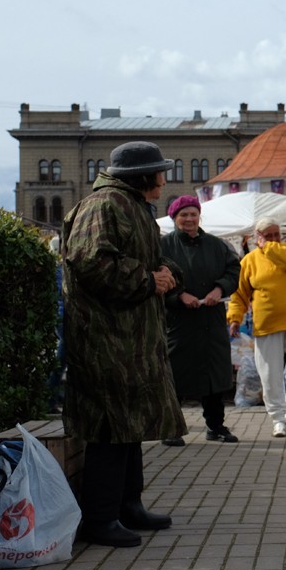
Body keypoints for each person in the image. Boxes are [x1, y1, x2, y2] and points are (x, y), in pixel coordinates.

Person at [61, 141, 187, 548]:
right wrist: (150, 279)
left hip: (131, 339)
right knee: (109, 430)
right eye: (160, 172)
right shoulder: (104, 205)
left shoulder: (132, 207)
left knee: (129, 427)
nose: (164, 180)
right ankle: (100, 519)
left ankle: (128, 504)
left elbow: (151, 262)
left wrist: (165, 276)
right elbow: (89, 261)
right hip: (105, 341)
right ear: (143, 175)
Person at [160, 195, 241, 446]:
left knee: (214, 375)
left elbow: (234, 271)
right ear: (175, 218)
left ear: (199, 216)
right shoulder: (163, 247)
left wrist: (219, 289)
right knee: (176, 374)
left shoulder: (218, 245)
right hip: (179, 321)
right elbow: (155, 278)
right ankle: (171, 428)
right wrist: (179, 295)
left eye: (193, 214)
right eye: (183, 215)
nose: (189, 219)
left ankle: (215, 426)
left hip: (211, 319)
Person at [227, 217, 286, 438]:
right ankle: (278, 418)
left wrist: (269, 246)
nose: (274, 239)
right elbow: (239, 295)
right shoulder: (249, 261)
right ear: (258, 238)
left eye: (277, 234)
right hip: (266, 325)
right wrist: (235, 318)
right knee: (270, 376)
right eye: (268, 236)